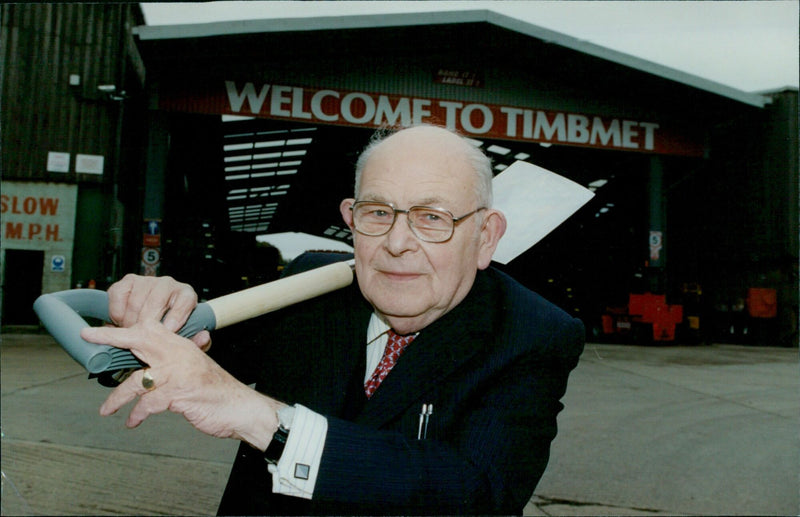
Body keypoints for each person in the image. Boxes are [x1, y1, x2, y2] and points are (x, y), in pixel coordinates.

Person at [81, 124, 585, 515]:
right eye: (377, 212)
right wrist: (157, 311)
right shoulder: (309, 286)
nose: (396, 242)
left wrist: (265, 421)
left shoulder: (533, 333)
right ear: (350, 219)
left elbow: (475, 491)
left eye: (432, 218)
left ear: (487, 237)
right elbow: (190, 354)